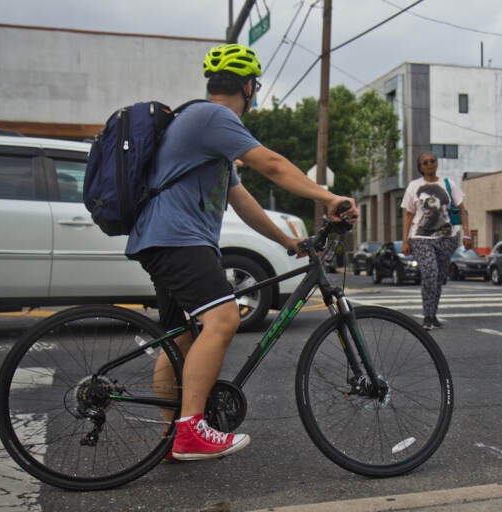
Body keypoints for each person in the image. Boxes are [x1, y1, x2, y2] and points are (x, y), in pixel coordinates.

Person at [125, 43, 358, 461]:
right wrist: (330, 198)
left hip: (164, 239)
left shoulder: (200, 125)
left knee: (182, 338)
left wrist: (288, 242)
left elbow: (240, 198)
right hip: (179, 239)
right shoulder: (213, 117)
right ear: (250, 87)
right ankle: (191, 432)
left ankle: (170, 436)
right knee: (224, 317)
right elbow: (272, 165)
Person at [401, 152, 471, 330]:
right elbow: (408, 214)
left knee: (439, 277)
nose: (430, 164)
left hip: (447, 238)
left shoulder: (448, 185)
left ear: (436, 163)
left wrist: (467, 234)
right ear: (421, 167)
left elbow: (462, 210)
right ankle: (427, 316)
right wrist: (405, 241)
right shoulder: (414, 186)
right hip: (421, 237)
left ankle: (433, 314)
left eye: (432, 161)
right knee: (429, 273)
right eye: (425, 162)